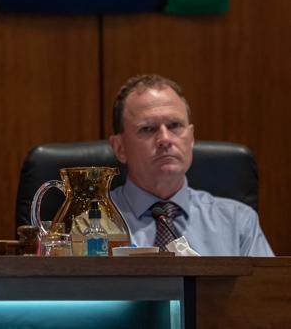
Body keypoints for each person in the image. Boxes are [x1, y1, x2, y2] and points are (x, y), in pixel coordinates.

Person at [108, 74, 273, 256]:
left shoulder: (238, 222)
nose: (165, 139)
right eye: (147, 128)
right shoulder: (92, 225)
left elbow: (266, 285)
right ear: (120, 148)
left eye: (175, 125)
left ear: (191, 137)